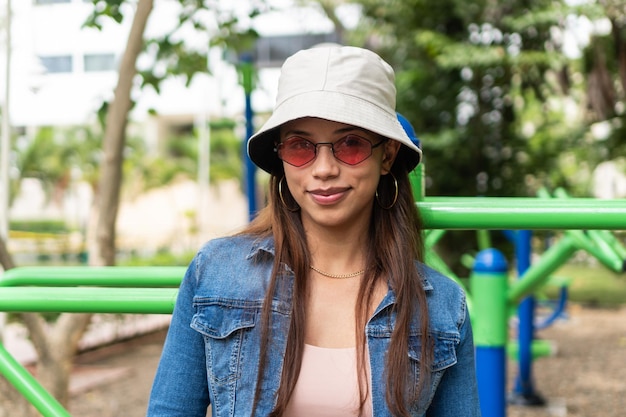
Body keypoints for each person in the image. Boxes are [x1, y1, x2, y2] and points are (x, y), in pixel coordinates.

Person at [146, 45, 480, 417]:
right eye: (300, 146)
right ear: (281, 156)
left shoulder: (441, 306)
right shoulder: (217, 272)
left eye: (350, 144)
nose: (323, 169)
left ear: (386, 156)